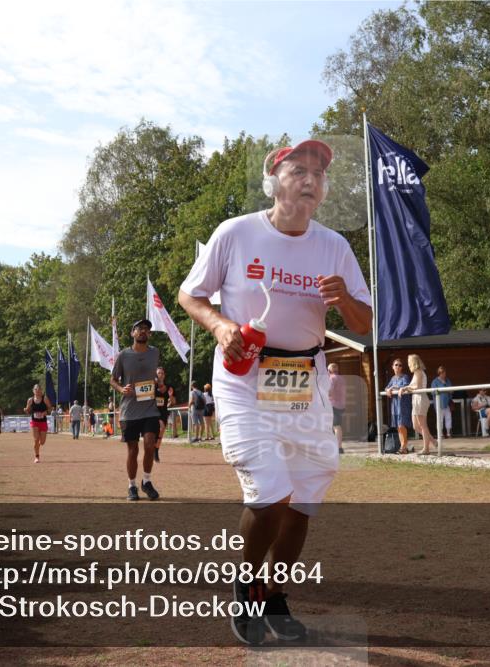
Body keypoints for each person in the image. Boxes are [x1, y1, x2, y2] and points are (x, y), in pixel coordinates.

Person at [178, 138, 372, 645]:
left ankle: (275, 594)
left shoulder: (334, 245)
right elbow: (190, 295)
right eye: (298, 170)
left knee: (303, 499)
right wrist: (220, 325)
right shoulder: (236, 233)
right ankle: (246, 586)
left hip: (306, 378)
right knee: (270, 492)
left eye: (318, 174)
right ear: (273, 181)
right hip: (245, 375)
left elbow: (366, 322)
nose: (310, 179)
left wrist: (345, 299)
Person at [110, 319, 161, 501]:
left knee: (149, 444)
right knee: (133, 450)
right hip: (129, 410)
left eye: (146, 329)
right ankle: (132, 486)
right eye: (139, 329)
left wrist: (158, 383)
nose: (143, 331)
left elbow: (153, 376)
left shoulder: (155, 352)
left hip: (149, 409)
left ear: (150, 334)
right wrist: (121, 389)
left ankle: (146, 481)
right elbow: (113, 379)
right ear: (133, 333)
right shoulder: (124, 355)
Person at [401, 354, 436, 455]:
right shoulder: (416, 373)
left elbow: (418, 386)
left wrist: (406, 388)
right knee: (415, 426)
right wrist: (403, 388)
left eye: (409, 362)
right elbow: (412, 386)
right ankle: (433, 441)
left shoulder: (419, 372)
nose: (408, 364)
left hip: (420, 399)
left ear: (413, 362)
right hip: (416, 399)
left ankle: (426, 449)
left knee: (422, 425)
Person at [384, 358, 413, 454]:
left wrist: (392, 388)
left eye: (400, 365)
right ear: (393, 367)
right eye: (396, 365)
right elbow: (387, 388)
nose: (398, 367)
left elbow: (405, 386)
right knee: (398, 427)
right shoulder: (393, 378)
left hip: (403, 404)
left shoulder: (405, 377)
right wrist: (388, 389)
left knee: (402, 425)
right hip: (395, 405)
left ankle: (403, 446)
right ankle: (403, 447)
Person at [26, 384, 53, 462]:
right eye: (35, 389)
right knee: (36, 439)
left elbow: (50, 408)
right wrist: (26, 410)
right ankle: (37, 457)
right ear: (33, 391)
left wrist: (46, 412)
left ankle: (38, 446)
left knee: (42, 442)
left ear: (41, 390)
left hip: (43, 422)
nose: (37, 391)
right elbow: (28, 410)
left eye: (38, 389)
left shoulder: (45, 398)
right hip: (34, 422)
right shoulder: (30, 400)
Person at [430, 366, 454, 439]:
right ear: (439, 373)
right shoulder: (435, 381)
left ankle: (448, 433)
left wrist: (448, 390)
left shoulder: (447, 380)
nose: (443, 374)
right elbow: (433, 392)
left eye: (444, 372)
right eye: (441, 372)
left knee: (448, 418)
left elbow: (452, 390)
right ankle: (440, 434)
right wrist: (443, 390)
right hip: (439, 404)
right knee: (440, 419)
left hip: (447, 403)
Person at [154, 366, 171, 462]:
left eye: (162, 373)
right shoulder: (152, 386)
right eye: (158, 373)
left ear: (164, 375)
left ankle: (156, 450)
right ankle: (153, 450)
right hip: (152, 412)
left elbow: (172, 401)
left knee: (161, 431)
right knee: (161, 428)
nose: (160, 375)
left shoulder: (168, 387)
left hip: (163, 412)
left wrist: (170, 399)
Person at [327, 363, 345, 454]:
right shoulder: (342, 378)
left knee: (336, 426)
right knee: (337, 426)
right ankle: (337, 446)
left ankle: (338, 448)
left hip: (333, 405)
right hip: (341, 405)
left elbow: (329, 391)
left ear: (329, 371)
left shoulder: (332, 378)